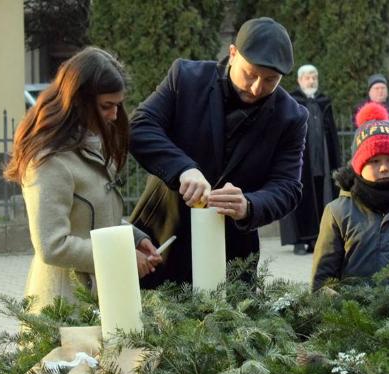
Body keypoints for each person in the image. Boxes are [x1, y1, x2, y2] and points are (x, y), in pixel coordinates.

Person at [129, 17, 308, 287]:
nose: (258, 88)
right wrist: (183, 169)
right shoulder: (186, 78)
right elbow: (139, 127)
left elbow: (288, 186)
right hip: (160, 239)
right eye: (251, 74)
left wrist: (248, 205)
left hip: (232, 257)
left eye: (271, 80)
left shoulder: (291, 117)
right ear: (233, 53)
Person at [3, 47, 162, 313]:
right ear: (78, 101)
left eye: (118, 105)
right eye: (106, 106)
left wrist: (132, 237)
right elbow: (52, 245)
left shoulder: (90, 146)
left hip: (103, 298)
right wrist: (121, 256)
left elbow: (93, 218)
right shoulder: (49, 160)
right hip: (64, 307)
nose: (114, 115)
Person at [311, 102, 389, 290]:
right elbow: (323, 280)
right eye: (374, 161)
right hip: (354, 317)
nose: (384, 167)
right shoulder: (337, 212)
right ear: (359, 166)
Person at [280, 64, 341, 255]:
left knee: (322, 196)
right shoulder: (291, 101)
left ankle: (317, 239)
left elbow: (332, 133)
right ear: (299, 80)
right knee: (300, 196)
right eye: (307, 77)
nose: (311, 80)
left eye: (314, 77)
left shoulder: (324, 101)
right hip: (300, 160)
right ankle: (298, 241)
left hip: (322, 159)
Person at [354, 74, 389, 157]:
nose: (380, 91)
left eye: (383, 88)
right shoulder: (361, 108)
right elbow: (357, 127)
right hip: (370, 151)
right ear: (369, 92)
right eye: (376, 88)